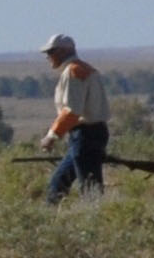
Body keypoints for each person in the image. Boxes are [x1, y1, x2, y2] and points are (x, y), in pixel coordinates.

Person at [42, 33, 113, 203]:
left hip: (85, 135)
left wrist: (51, 136)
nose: (48, 56)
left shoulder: (73, 72)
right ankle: (50, 221)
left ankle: (95, 224)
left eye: (51, 52)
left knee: (90, 189)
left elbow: (72, 111)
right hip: (91, 133)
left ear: (63, 51)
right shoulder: (87, 69)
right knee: (58, 184)